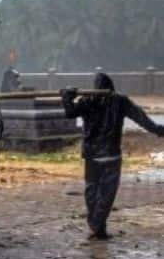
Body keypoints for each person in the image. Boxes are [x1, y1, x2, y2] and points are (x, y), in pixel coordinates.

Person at [61, 72, 164, 240]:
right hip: (111, 156)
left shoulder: (88, 101)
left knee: (92, 191)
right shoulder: (120, 101)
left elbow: (69, 112)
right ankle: (97, 225)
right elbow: (143, 120)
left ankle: (97, 226)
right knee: (106, 194)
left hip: (92, 156)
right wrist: (159, 130)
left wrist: (66, 96)